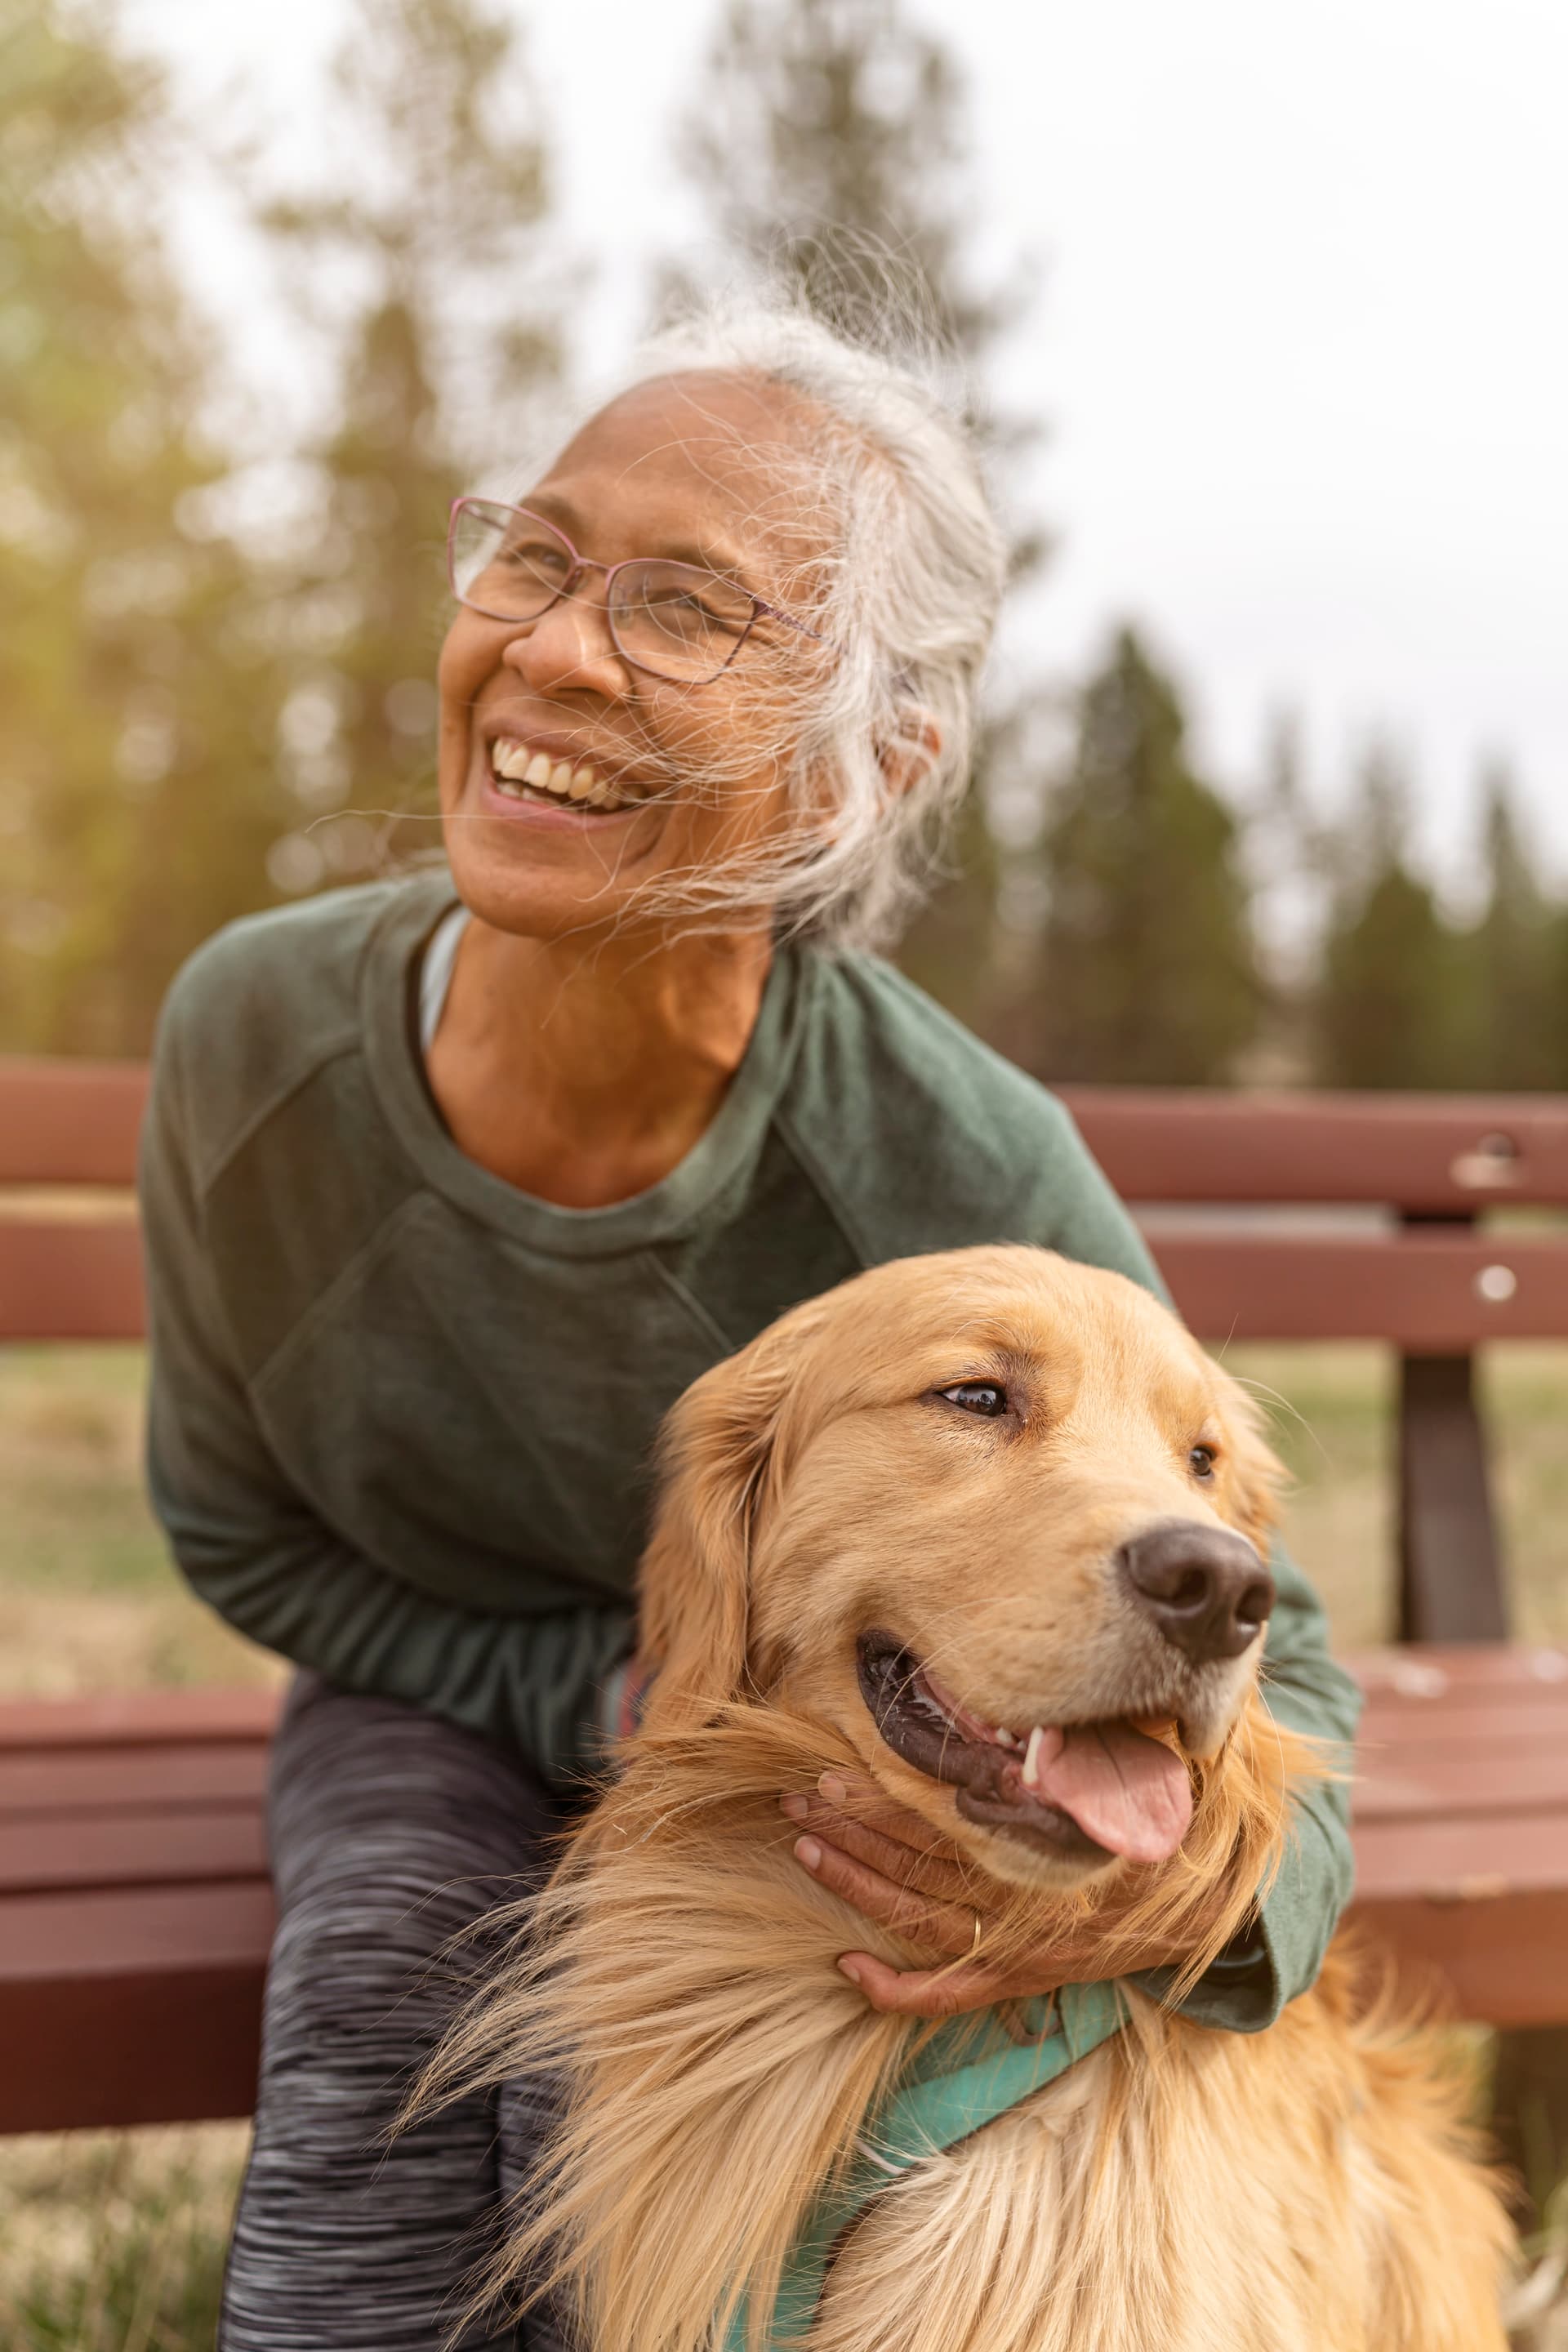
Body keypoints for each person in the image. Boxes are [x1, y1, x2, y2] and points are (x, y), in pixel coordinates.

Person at [139, 299, 1360, 2351]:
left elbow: (1282, 1638)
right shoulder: (252, 1041)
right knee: (387, 1986)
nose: (551, 647)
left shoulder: (952, 1157)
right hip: (445, 1691)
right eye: (533, 555)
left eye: (686, 605)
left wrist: (1188, 1907)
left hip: (843, 1735)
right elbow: (243, 1533)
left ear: (876, 760)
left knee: (600, 2094)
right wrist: (612, 1701)